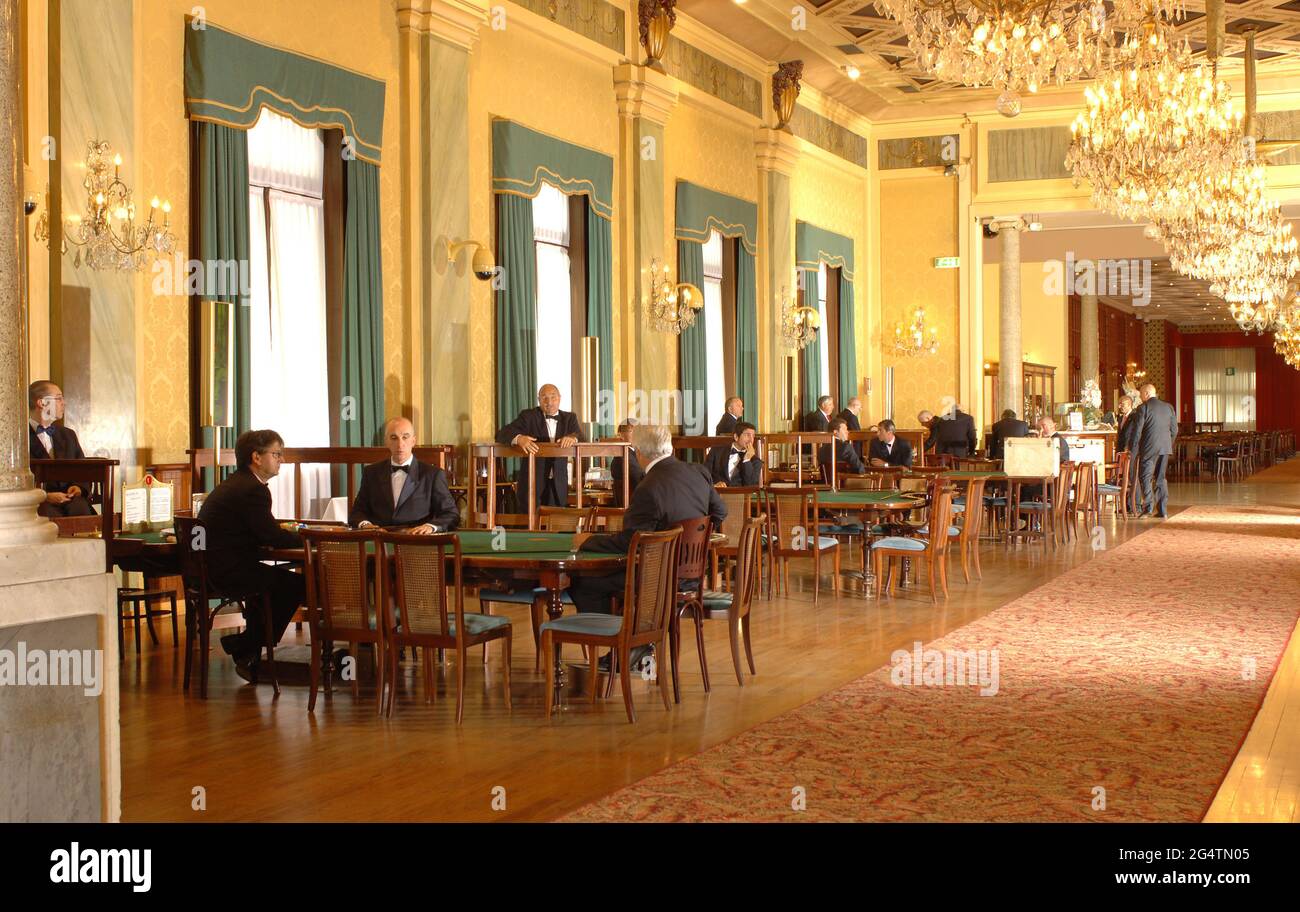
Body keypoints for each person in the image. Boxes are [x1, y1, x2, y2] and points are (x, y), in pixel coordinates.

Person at [569, 425, 726, 671]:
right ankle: (636, 647)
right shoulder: (698, 472)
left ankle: (625, 647)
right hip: (692, 578)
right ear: (669, 446)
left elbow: (629, 542)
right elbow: (720, 511)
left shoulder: (648, 487)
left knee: (584, 583)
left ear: (639, 452)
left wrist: (587, 541)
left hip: (656, 579)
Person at [198, 429, 306, 682]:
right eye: (277, 454)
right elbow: (271, 536)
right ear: (256, 457)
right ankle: (247, 644)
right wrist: (310, 539)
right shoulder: (253, 489)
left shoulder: (236, 482)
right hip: (229, 571)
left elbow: (259, 531)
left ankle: (247, 647)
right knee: (295, 584)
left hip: (213, 568)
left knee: (276, 583)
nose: (281, 459)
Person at [349, 417, 459, 532]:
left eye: (405, 437)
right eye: (394, 438)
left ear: (413, 441)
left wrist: (430, 527)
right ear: (386, 441)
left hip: (416, 541)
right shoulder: (371, 473)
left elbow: (451, 514)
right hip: (379, 541)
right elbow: (357, 512)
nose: (400, 444)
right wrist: (365, 525)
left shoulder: (433, 475)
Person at [496, 383, 586, 508]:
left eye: (553, 397)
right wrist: (519, 438)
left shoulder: (569, 418)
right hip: (532, 483)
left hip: (558, 484)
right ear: (538, 400)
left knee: (556, 524)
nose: (549, 401)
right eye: (544, 397)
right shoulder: (529, 416)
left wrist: (572, 438)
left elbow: (582, 437)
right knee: (531, 524)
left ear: (559, 398)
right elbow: (502, 433)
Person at [27, 380, 95, 517]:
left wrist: (79, 488)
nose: (63, 403)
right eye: (58, 398)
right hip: (38, 502)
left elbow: (83, 469)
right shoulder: (19, 438)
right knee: (48, 516)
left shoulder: (68, 435)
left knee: (81, 510)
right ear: (42, 403)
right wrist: (46, 495)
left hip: (71, 499)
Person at [1128, 382, 1178, 518]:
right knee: (1161, 478)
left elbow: (1137, 431)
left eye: (1141, 395)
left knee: (1145, 477)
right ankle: (1163, 510)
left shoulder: (1143, 408)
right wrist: (1168, 444)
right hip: (1165, 448)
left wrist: (1132, 450)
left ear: (1146, 394)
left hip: (1149, 448)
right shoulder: (1169, 407)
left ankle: (1148, 508)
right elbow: (1175, 430)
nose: (1140, 398)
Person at [706, 421, 762, 486]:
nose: (751, 439)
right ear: (736, 437)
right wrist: (714, 485)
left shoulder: (756, 461)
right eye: (747, 435)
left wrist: (747, 460)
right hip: (716, 493)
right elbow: (704, 475)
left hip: (740, 495)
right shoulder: (716, 452)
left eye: (753, 436)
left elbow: (750, 484)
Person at [608, 420, 644, 507]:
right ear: (621, 435)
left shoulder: (636, 452)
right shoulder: (623, 454)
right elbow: (639, 478)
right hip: (633, 504)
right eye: (632, 431)